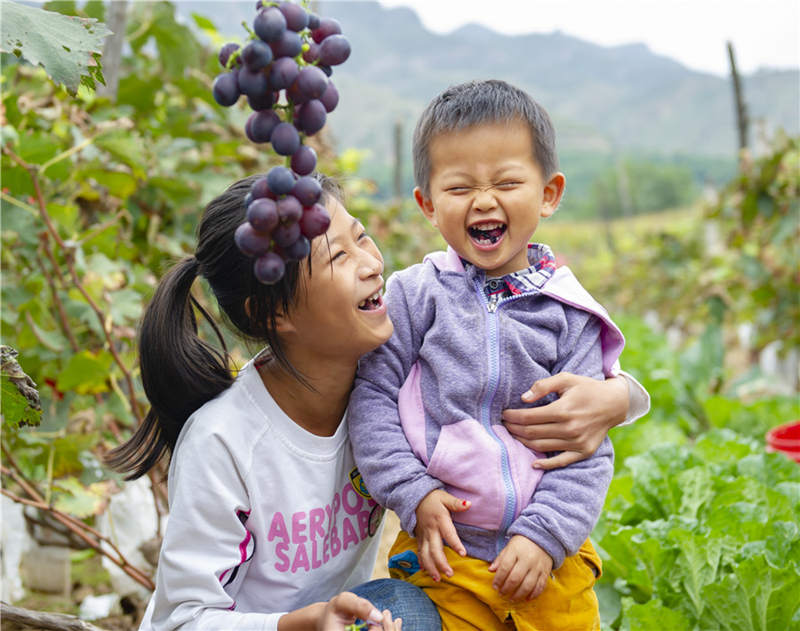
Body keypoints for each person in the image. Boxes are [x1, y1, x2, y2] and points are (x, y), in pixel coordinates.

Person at [105, 167, 644, 630]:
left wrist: (619, 397)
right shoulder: (224, 442)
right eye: (338, 255)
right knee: (396, 604)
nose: (371, 263)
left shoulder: (389, 384)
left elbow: (497, 363)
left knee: (398, 608)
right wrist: (299, 623)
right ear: (274, 313)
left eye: (361, 237)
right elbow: (183, 620)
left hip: (349, 620)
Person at [347, 80, 648, 631]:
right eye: (460, 187)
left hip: (548, 565)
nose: (484, 200)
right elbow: (372, 398)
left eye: (507, 182)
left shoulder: (571, 313)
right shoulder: (414, 296)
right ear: (428, 205)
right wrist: (413, 492)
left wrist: (545, 535)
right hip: (446, 553)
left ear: (549, 194)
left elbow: (587, 449)